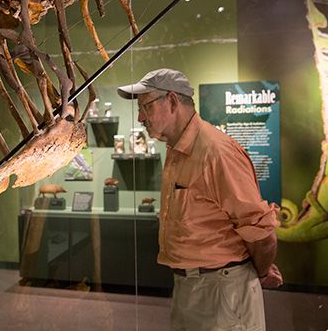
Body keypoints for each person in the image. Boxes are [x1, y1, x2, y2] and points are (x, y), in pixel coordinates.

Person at [117, 68, 283, 331]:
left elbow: (262, 234)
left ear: (172, 101)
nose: (140, 117)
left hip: (222, 292)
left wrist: (258, 274)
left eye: (145, 107)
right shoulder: (177, 149)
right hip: (189, 287)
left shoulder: (216, 152)